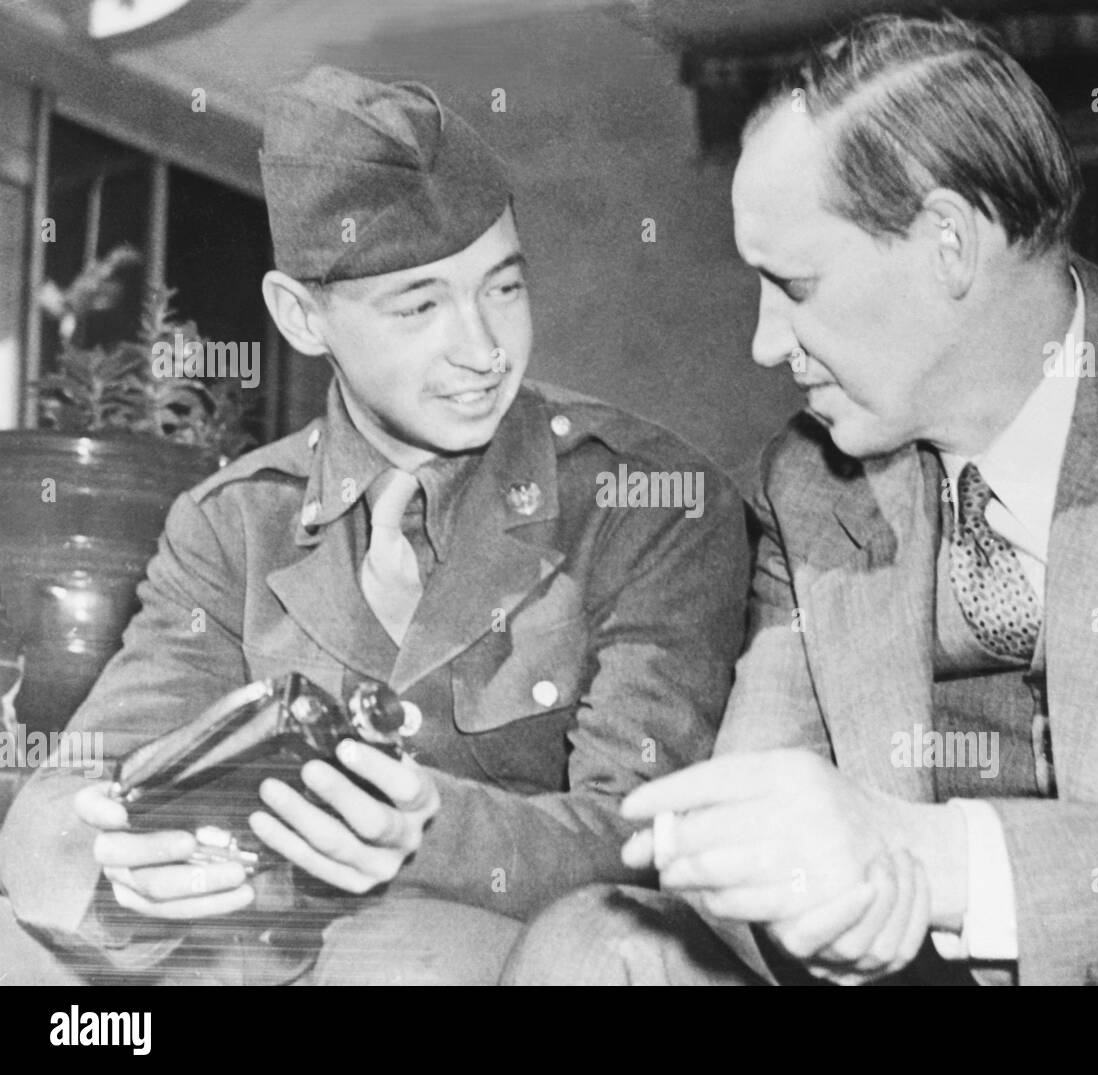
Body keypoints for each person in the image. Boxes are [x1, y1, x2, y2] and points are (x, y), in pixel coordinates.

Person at [502, 13, 1098, 986]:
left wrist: (934, 861)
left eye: (793, 283)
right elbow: (754, 800)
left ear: (948, 245)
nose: (763, 343)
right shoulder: (809, 478)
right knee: (596, 940)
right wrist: (802, 897)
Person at [0, 66, 748, 985]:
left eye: (504, 289)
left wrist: (420, 823)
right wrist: (118, 845)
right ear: (301, 316)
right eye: (421, 305)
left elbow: (645, 836)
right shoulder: (234, 525)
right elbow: (86, 778)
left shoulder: (645, 502)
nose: (482, 351)